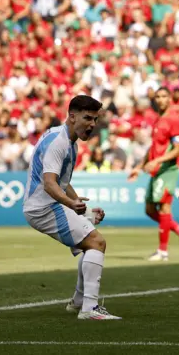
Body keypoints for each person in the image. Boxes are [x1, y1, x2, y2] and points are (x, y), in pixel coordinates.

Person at [23, 95, 120, 320]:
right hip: (44, 207)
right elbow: (49, 184)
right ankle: (89, 309)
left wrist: (83, 210)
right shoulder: (59, 142)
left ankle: (79, 302)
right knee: (97, 242)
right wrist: (71, 204)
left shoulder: (66, 139)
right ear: (72, 116)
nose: (92, 125)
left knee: (90, 245)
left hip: (46, 204)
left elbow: (62, 181)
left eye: (95, 119)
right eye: (87, 118)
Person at [128, 87, 179, 261]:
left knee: (165, 208)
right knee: (150, 209)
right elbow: (153, 147)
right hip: (156, 170)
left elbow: (178, 150)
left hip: (168, 170)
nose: (160, 99)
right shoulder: (158, 120)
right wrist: (138, 166)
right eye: (157, 96)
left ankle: (163, 252)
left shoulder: (174, 120)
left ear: (170, 99)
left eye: (164, 96)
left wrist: (157, 161)